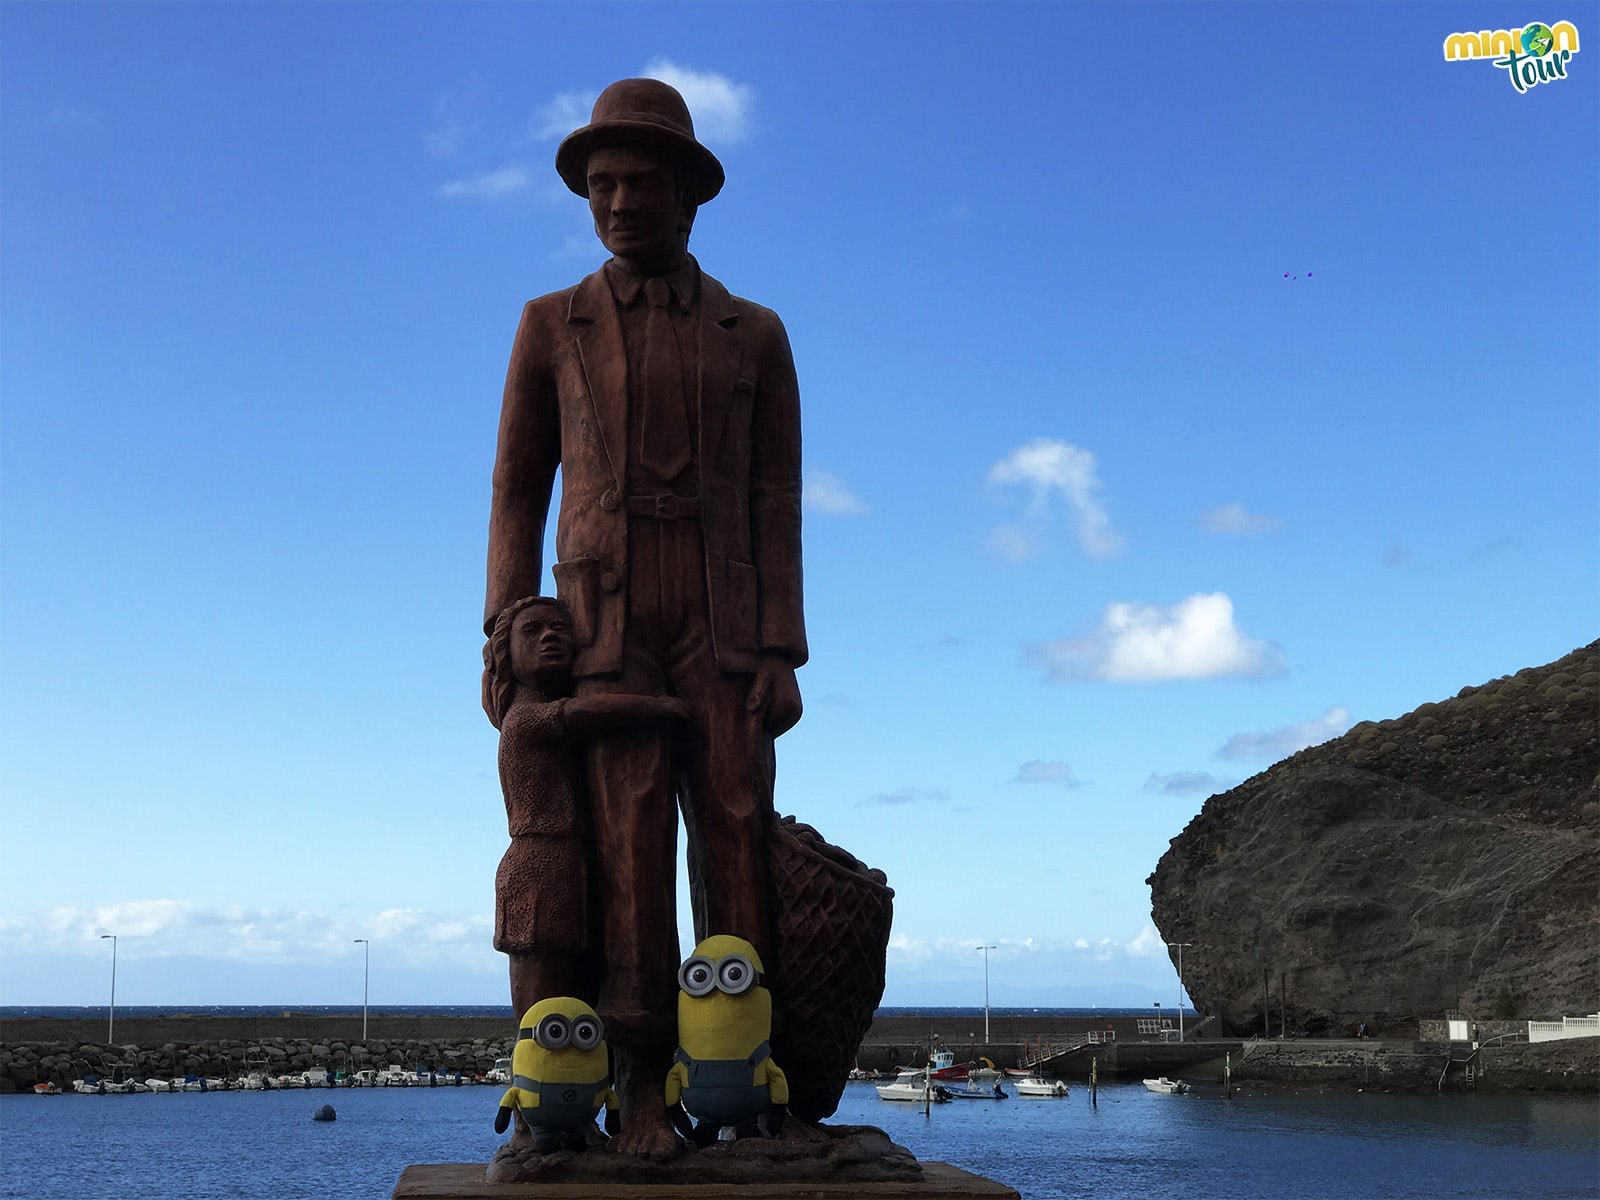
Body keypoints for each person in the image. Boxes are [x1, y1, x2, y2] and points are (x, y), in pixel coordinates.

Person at [484, 78, 807, 1156]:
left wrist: (779, 648)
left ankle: (750, 1077)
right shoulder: (547, 323)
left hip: (718, 614)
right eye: (601, 183)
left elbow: (776, 498)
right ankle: (634, 1087)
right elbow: (516, 488)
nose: (619, 201)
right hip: (602, 619)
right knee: (623, 838)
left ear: (688, 195)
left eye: (640, 182)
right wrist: (505, 627)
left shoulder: (753, 333)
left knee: (734, 832)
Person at [483, 595, 690, 1027]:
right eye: (533, 630)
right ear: (507, 655)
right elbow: (584, 713)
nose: (550, 637)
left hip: (572, 865)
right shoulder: (524, 719)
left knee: (580, 998)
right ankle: (537, 1086)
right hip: (540, 866)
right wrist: (659, 707)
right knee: (543, 1011)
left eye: (560, 629)